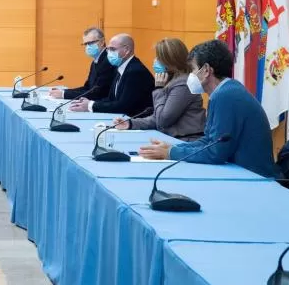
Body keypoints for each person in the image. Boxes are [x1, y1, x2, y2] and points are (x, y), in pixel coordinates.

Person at [139, 39, 277, 178]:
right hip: (239, 172)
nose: (190, 75)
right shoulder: (223, 92)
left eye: (193, 69)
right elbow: (208, 141)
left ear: (206, 70)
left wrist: (170, 153)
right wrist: (173, 148)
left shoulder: (227, 96)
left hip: (253, 177)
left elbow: (215, 153)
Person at [114, 38, 205, 141]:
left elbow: (163, 120)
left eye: (159, 57)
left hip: (186, 141)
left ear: (170, 60)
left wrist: (158, 89)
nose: (155, 60)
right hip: (172, 138)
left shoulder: (183, 84)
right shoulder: (172, 80)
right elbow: (157, 117)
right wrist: (130, 123)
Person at [69, 33, 154, 116]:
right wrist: (90, 103)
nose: (109, 53)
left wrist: (90, 106)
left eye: (112, 49)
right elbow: (111, 99)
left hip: (136, 120)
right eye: (108, 49)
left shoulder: (135, 71)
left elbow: (123, 106)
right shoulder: (120, 67)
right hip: (121, 118)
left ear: (127, 50)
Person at [49, 26, 114, 100]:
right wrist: (64, 91)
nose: (87, 47)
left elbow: (98, 93)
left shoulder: (108, 60)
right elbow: (87, 88)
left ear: (102, 42)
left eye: (90, 43)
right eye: (85, 44)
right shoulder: (95, 61)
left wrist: (64, 94)